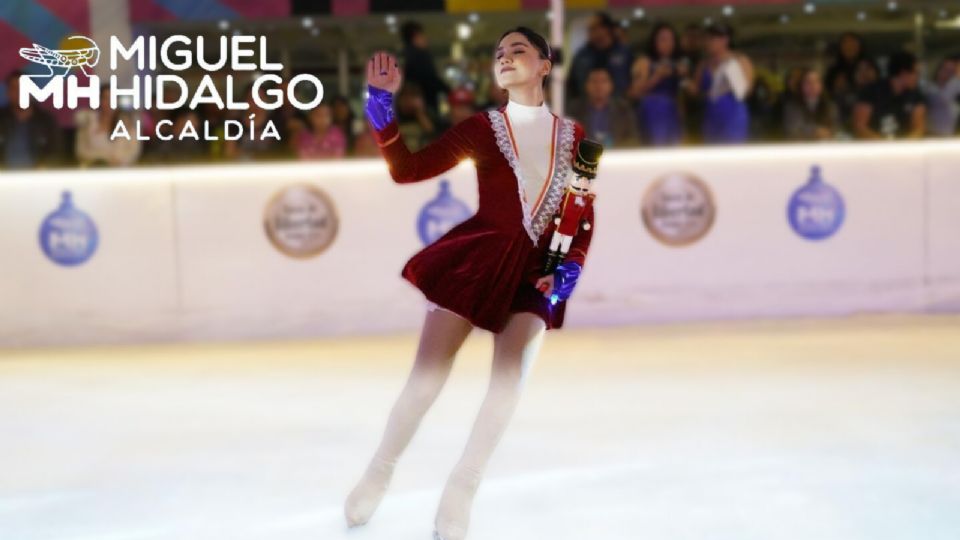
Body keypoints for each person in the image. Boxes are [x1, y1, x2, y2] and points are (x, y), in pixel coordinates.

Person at [344, 26, 596, 540]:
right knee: (427, 379)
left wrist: (568, 269)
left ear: (545, 64)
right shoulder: (483, 128)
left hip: (537, 269)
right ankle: (380, 469)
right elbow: (408, 170)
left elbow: (581, 211)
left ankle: (462, 490)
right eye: (498, 53)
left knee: (509, 379)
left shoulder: (577, 139)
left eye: (517, 50)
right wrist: (379, 107)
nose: (504, 58)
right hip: (478, 259)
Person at [688, 23, 754, 144]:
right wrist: (686, 83)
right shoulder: (703, 64)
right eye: (706, 39)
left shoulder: (740, 59)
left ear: (725, 40)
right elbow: (695, 91)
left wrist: (731, 81)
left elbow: (747, 90)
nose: (708, 43)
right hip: (711, 113)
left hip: (733, 112)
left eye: (712, 39)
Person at [628, 22, 685, 146]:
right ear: (654, 42)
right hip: (652, 109)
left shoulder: (677, 63)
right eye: (663, 39)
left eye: (671, 39)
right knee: (656, 147)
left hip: (672, 111)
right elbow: (634, 92)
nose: (667, 44)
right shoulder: (644, 61)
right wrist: (656, 77)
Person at [853, 50, 926, 139]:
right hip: (874, 147)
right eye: (916, 73)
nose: (918, 77)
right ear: (904, 73)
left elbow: (918, 128)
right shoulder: (870, 92)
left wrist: (903, 147)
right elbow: (860, 127)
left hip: (904, 147)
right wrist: (884, 147)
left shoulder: (916, 96)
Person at [566, 12, 633, 102]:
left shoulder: (624, 53)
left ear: (606, 29)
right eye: (589, 29)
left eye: (593, 28)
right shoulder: (581, 55)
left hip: (618, 107)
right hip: (585, 108)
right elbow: (572, 84)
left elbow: (632, 81)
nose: (590, 32)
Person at [0, 71, 62, 168]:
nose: (19, 93)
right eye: (14, 88)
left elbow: (57, 153)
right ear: (8, 92)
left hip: (37, 179)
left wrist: (44, 168)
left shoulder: (46, 121)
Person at [569, 66, 638, 147]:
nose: (599, 86)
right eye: (594, 81)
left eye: (603, 81)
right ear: (586, 86)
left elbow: (633, 139)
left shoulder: (623, 109)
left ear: (611, 85)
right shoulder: (574, 110)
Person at [75, 85, 140, 167]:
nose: (109, 102)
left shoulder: (128, 123)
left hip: (122, 172)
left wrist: (118, 160)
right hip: (94, 171)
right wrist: (103, 159)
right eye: (105, 98)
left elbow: (133, 151)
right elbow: (81, 151)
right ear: (99, 100)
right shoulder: (88, 122)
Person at [401, 20, 451, 117]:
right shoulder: (419, 55)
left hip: (413, 107)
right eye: (422, 35)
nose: (426, 39)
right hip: (424, 105)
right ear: (416, 36)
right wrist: (449, 91)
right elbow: (430, 78)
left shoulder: (407, 56)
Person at [783, 69, 839, 141]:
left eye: (816, 81)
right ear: (801, 86)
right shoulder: (792, 106)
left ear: (821, 85)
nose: (813, 85)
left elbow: (835, 129)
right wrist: (815, 131)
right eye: (808, 82)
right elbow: (793, 130)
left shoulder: (831, 106)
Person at [924, 56, 960, 137]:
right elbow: (943, 99)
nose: (947, 74)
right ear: (939, 69)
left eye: (951, 71)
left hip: (952, 134)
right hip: (932, 134)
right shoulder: (930, 88)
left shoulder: (955, 85)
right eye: (945, 69)